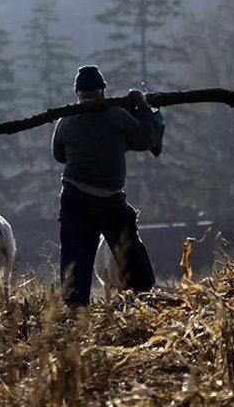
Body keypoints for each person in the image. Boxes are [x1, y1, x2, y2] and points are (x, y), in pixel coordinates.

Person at [51, 65, 165, 307]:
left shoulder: (66, 120)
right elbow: (147, 138)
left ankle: (75, 313)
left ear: (77, 93)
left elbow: (58, 154)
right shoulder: (116, 116)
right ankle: (145, 299)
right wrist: (143, 106)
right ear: (102, 91)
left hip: (74, 197)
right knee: (131, 254)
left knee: (75, 257)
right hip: (109, 200)